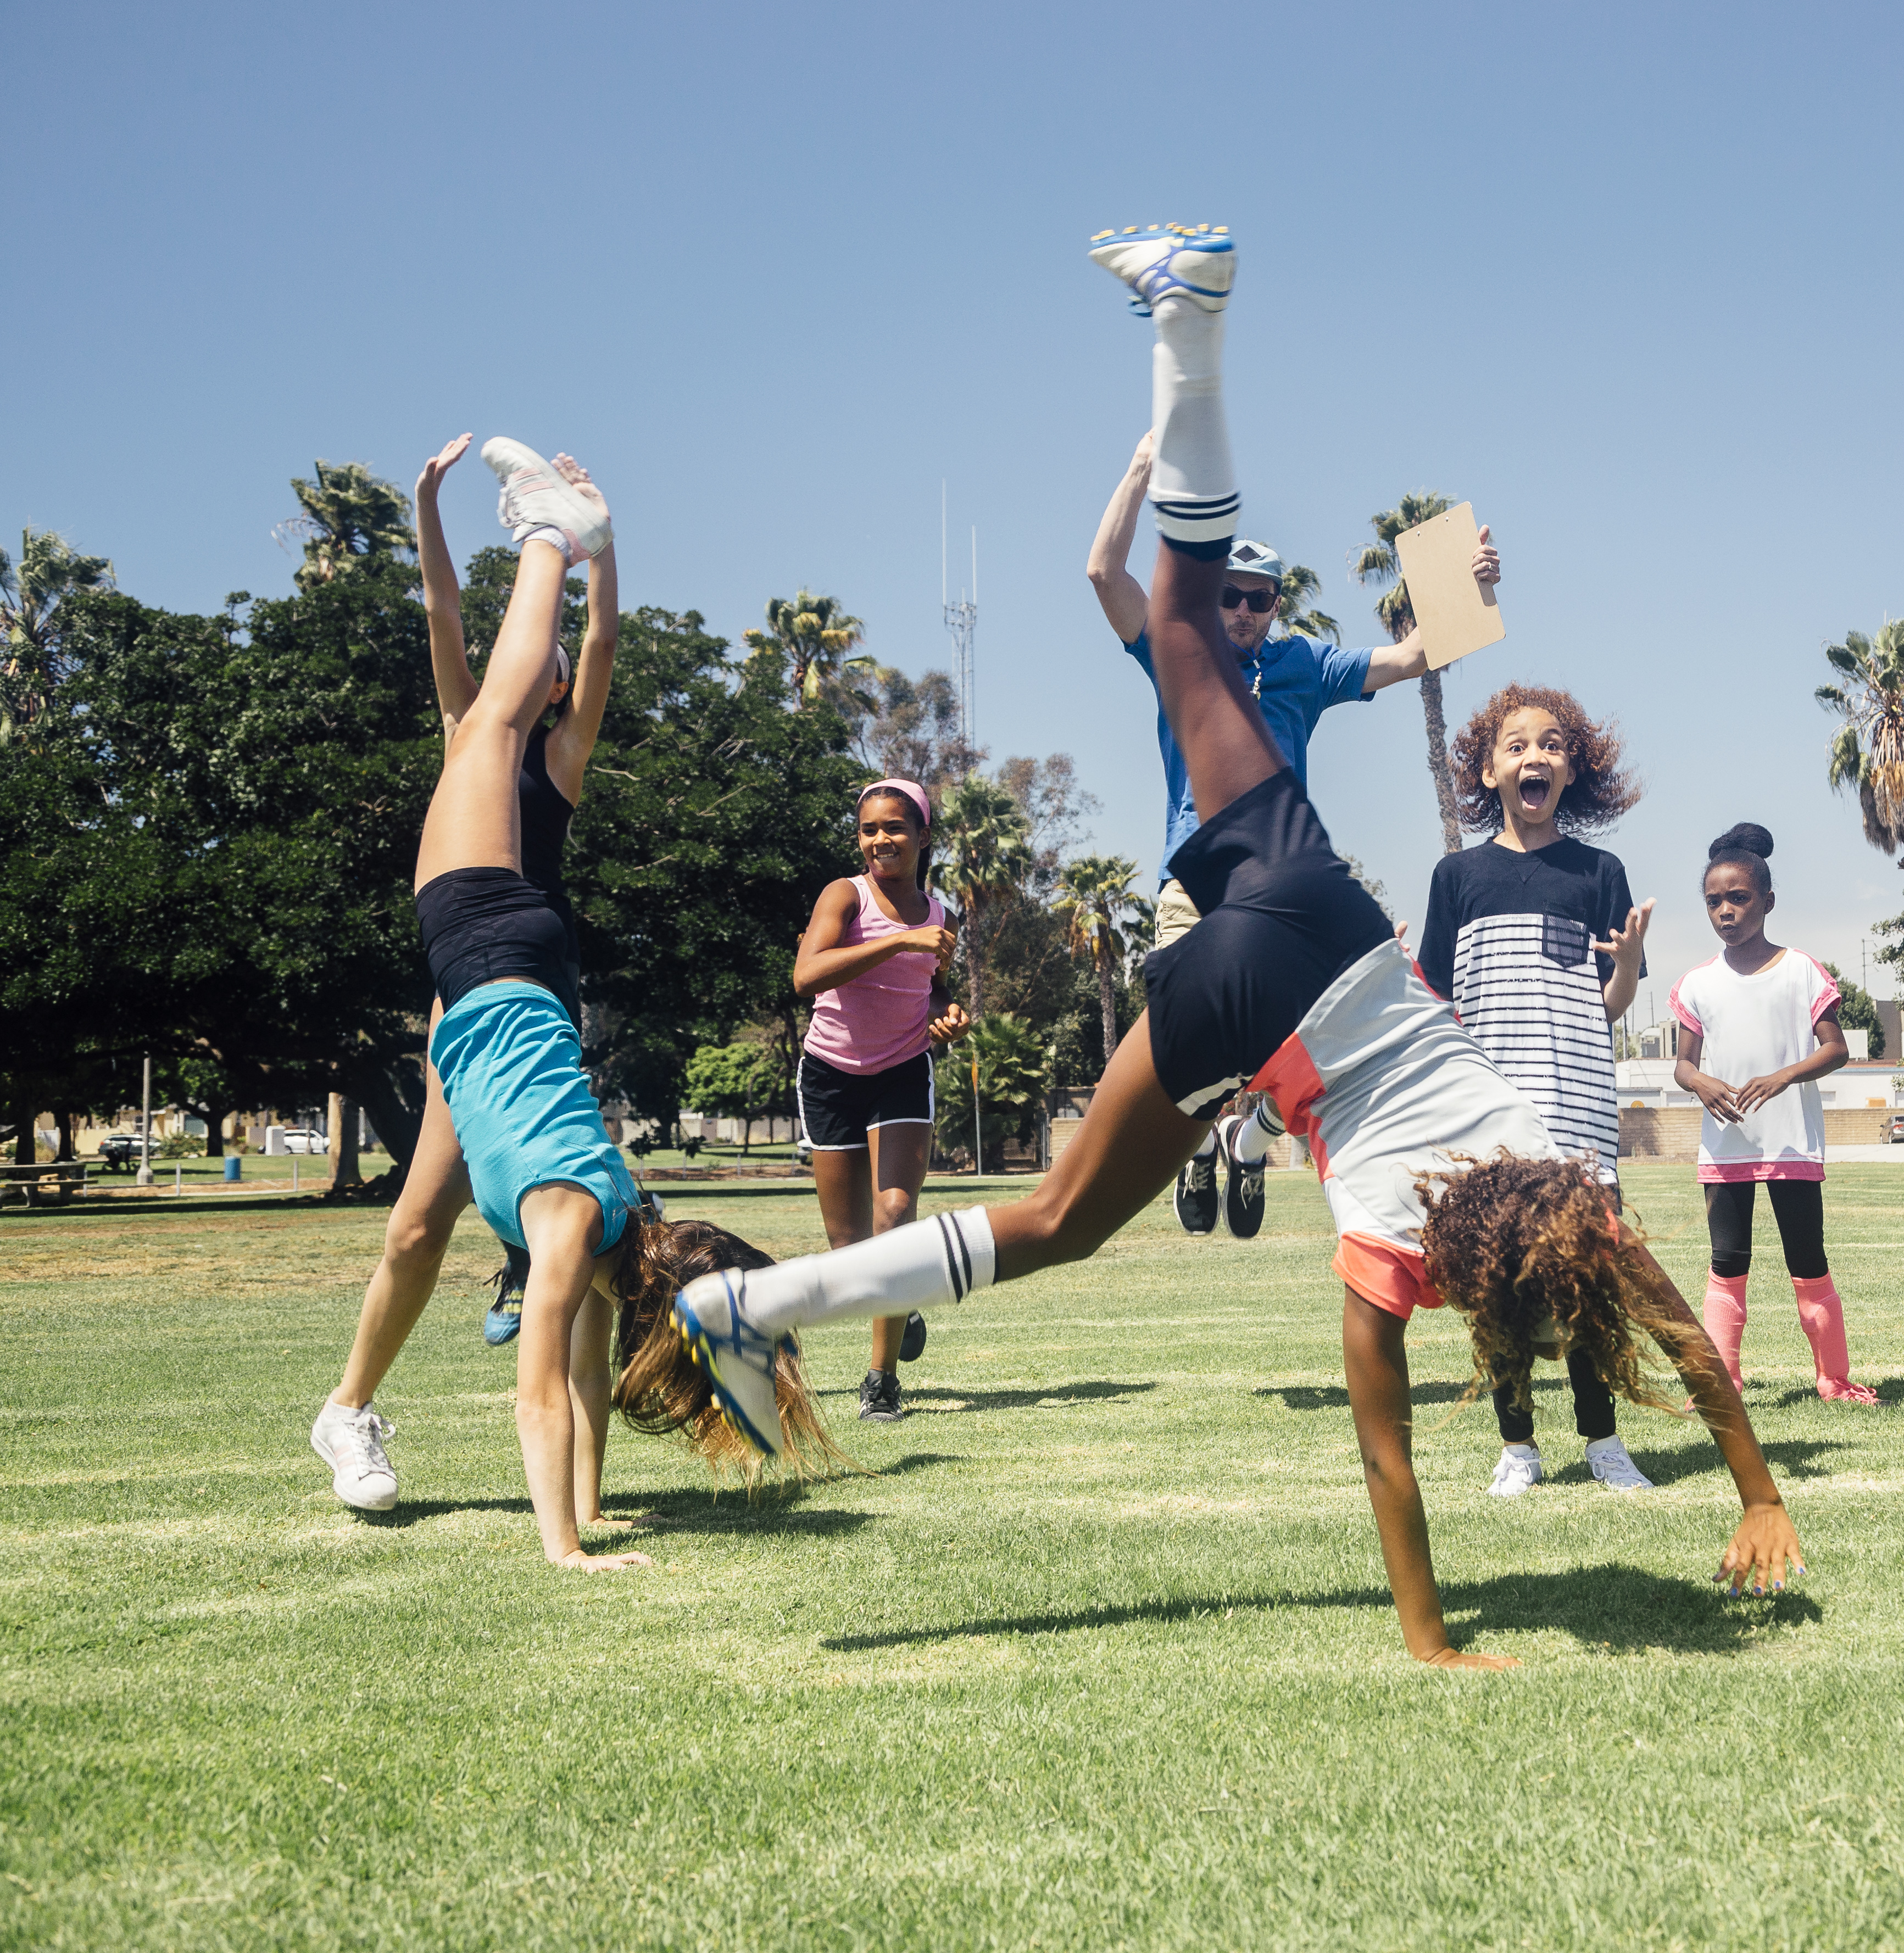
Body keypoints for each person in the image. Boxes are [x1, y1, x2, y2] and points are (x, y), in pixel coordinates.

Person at [659, 224, 1803, 1665]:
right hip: (1247, 990)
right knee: (1060, 1222)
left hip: (1292, 902)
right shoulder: (1408, 1244)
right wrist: (1435, 1642)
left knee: (1182, 617)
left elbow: (1693, 1352)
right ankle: (746, 1309)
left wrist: (1761, 1485)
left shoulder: (1566, 1184)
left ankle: (1186, 325)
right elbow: (1402, 1460)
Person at [399, 439, 826, 1566]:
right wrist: (437, 516)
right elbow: (548, 1386)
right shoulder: (589, 1224)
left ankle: (558, 532)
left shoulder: (602, 1232)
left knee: (489, 727)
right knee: (481, 724)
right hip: (495, 956)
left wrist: (579, 1530)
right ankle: (545, 530)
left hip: (511, 970)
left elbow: (570, 1377)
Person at [1083, 427, 1499, 1237]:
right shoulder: (1178, 651)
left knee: (1306, 1042)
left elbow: (1418, 654)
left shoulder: (1305, 663)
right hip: (1194, 876)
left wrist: (1471, 583)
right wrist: (1141, 468)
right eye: (1228, 593)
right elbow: (1104, 574)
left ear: (1277, 604)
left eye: (1258, 596)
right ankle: (1201, 1150)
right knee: (1186, 1041)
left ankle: (1250, 1143)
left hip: (1283, 879)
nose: (1240, 608)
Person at [311, 431, 617, 1513]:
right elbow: (445, 616)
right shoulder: (469, 730)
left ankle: (565, 1392)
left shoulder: (555, 755)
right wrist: (425, 510)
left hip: (523, 988)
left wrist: (595, 550)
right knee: (412, 1225)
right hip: (468, 993)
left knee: (541, 1218)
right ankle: (348, 1413)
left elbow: (603, 637)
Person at [1421, 683, 1657, 1494]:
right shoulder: (1458, 876)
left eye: (1553, 744)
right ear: (1488, 771)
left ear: (1571, 769)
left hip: (1578, 1109)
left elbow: (1612, 1001)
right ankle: (1517, 1445)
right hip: (1488, 1116)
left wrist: (1625, 963)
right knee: (1498, 1286)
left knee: (1588, 1282)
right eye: (1517, 745)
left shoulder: (1600, 871)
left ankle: (1604, 1442)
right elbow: (1436, 999)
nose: (1536, 756)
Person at [1668, 824, 1873, 1405]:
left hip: (1790, 1145)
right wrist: (1700, 1080)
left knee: (1807, 1261)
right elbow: (1683, 1067)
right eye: (1714, 900)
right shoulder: (1696, 983)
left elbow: (1836, 1048)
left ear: (1767, 901)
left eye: (1739, 898)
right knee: (1726, 1263)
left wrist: (1783, 1076)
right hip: (1725, 1148)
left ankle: (1832, 1378)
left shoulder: (1801, 970)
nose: (1726, 911)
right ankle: (1720, 1382)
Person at [790, 778, 973, 1421]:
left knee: (894, 1215)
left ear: (923, 838)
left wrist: (946, 1014)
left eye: (894, 827)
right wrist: (897, 940)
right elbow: (805, 975)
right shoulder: (846, 896)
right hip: (831, 1072)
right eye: (869, 829)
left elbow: (927, 991)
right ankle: (904, 1303)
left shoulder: (942, 917)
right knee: (851, 1253)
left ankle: (881, 1382)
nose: (880, 840)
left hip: (900, 1070)